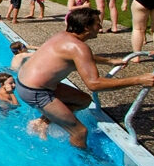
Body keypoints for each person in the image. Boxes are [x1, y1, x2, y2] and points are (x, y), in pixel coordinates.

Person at [16, 8, 154, 148]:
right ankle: (82, 159)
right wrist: (138, 80)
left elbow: (82, 57)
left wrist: (109, 61)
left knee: (84, 100)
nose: (100, 26)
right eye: (97, 23)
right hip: (35, 91)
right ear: (87, 27)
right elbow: (94, 84)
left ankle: (43, 122)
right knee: (80, 132)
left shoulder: (63, 36)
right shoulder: (79, 47)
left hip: (26, 84)